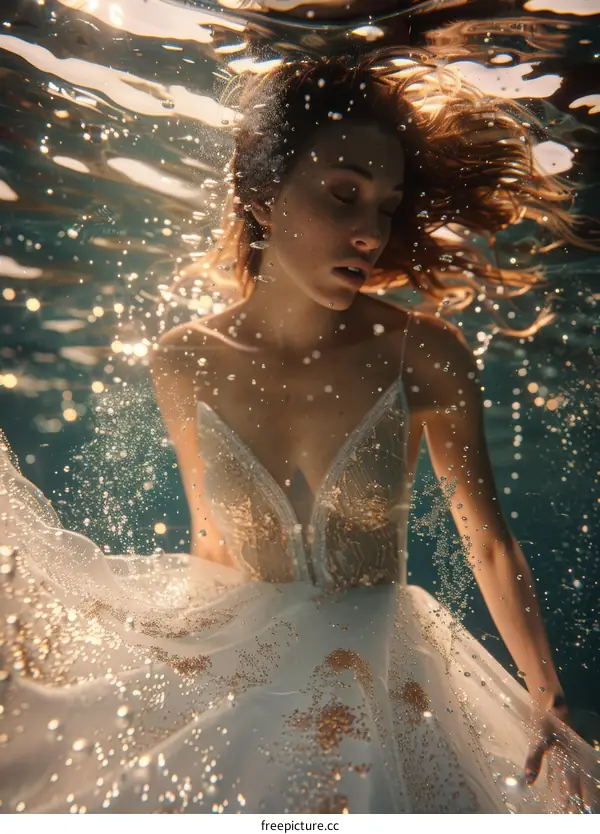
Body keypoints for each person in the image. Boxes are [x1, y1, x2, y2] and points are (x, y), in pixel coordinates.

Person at [0, 51, 597, 814]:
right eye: (345, 196)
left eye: (386, 206)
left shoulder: (426, 354)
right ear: (262, 195)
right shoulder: (183, 359)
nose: (369, 233)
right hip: (242, 668)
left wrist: (549, 703)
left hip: (390, 673)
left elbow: (486, 541)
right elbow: (212, 541)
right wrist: (151, 650)